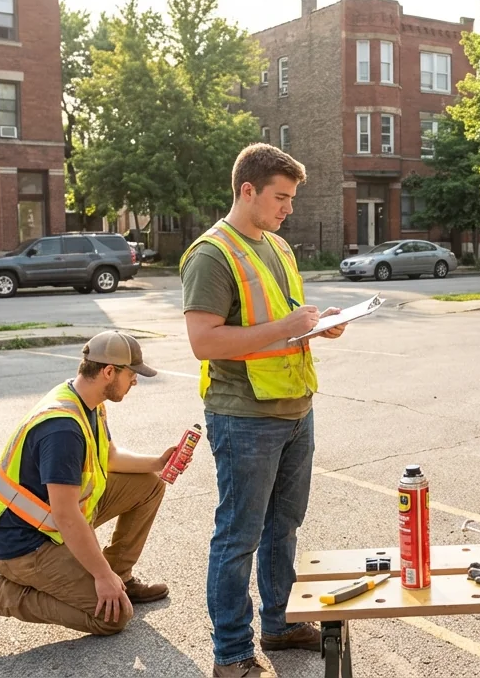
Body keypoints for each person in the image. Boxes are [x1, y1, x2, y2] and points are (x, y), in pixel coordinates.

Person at [180, 143, 347, 678]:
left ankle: (278, 624)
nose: (289, 208)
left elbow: (285, 323)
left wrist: (322, 324)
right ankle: (230, 655)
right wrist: (289, 327)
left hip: (295, 406)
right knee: (238, 535)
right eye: (281, 197)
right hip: (244, 416)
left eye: (292, 198)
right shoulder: (211, 254)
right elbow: (205, 342)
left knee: (284, 526)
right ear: (246, 190)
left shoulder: (277, 246)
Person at [0, 331, 181, 644]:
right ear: (109, 372)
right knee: (112, 618)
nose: (135, 382)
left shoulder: (87, 400)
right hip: (24, 544)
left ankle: (120, 578)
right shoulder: (62, 428)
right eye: (132, 375)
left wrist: (157, 462)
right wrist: (100, 576)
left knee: (149, 486)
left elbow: (110, 457)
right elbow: (66, 515)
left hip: (49, 524)